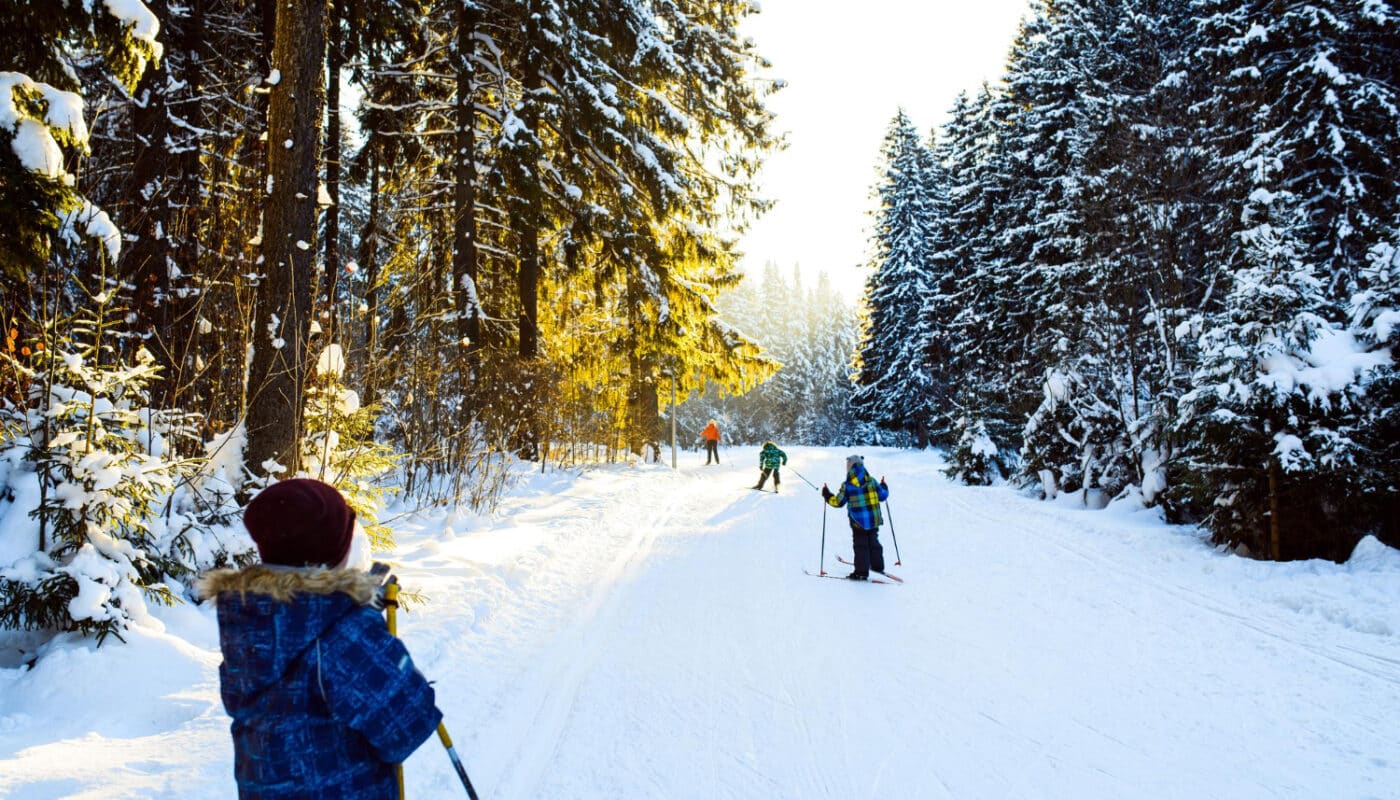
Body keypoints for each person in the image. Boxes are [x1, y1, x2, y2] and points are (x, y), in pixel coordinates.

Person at [199, 478, 443, 799]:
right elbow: (409, 724)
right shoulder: (344, 633)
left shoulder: (250, 617)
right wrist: (363, 621)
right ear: (332, 552)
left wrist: (351, 610)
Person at [822, 455, 890, 580]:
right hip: (874, 519)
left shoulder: (847, 485)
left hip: (858, 521)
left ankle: (861, 572)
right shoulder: (872, 481)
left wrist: (827, 495)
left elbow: (838, 502)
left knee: (861, 545)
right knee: (873, 541)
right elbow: (883, 496)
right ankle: (877, 567)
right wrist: (884, 487)